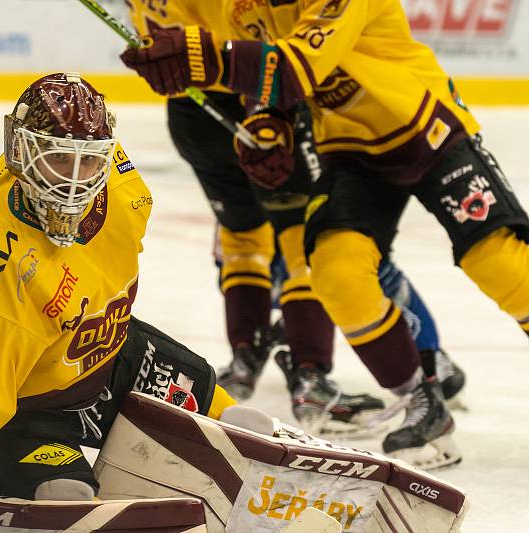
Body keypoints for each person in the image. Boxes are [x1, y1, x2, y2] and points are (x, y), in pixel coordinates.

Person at [118, 0, 529, 469]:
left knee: (497, 262)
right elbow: (272, 90)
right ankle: (422, 402)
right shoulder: (245, 8)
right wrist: (267, 125)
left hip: (424, 129)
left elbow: (296, 67)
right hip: (347, 152)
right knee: (336, 273)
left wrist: (203, 55)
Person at [0, 72, 265, 500]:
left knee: (240, 427)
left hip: (98, 347)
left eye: (87, 160)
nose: (75, 180)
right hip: (20, 402)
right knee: (69, 497)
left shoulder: (125, 191)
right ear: (19, 151)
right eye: (59, 159)